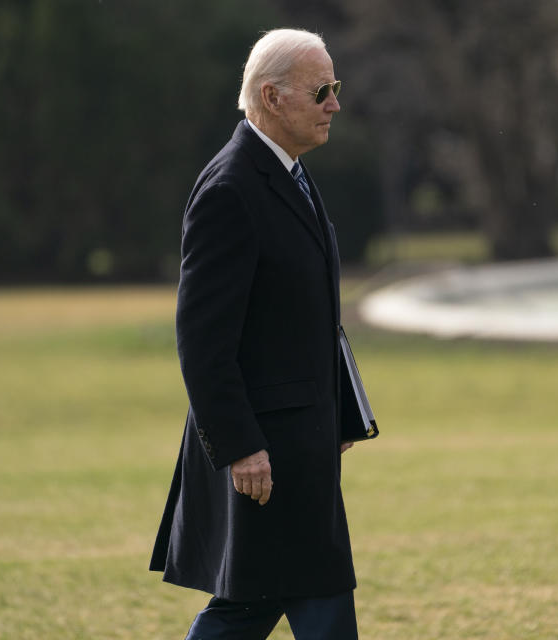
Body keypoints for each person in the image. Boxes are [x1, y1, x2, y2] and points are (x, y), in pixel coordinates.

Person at [149, 28, 359, 640]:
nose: (335, 104)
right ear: (272, 97)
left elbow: (307, 315)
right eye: (322, 90)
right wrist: (240, 445)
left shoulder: (287, 171)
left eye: (335, 88)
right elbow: (202, 341)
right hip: (265, 455)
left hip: (301, 447)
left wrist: (340, 412)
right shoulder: (230, 189)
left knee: (256, 603)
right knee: (285, 600)